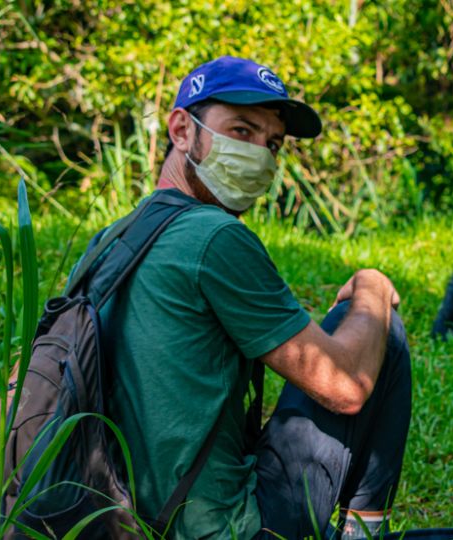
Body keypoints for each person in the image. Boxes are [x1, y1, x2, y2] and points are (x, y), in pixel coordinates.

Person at [101, 56, 411, 539]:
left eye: (272, 144)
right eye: (241, 131)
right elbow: (346, 387)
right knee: (373, 324)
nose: (259, 155)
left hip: (121, 520)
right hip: (225, 528)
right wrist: (372, 286)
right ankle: (365, 531)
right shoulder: (214, 237)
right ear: (181, 130)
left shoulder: (112, 240)